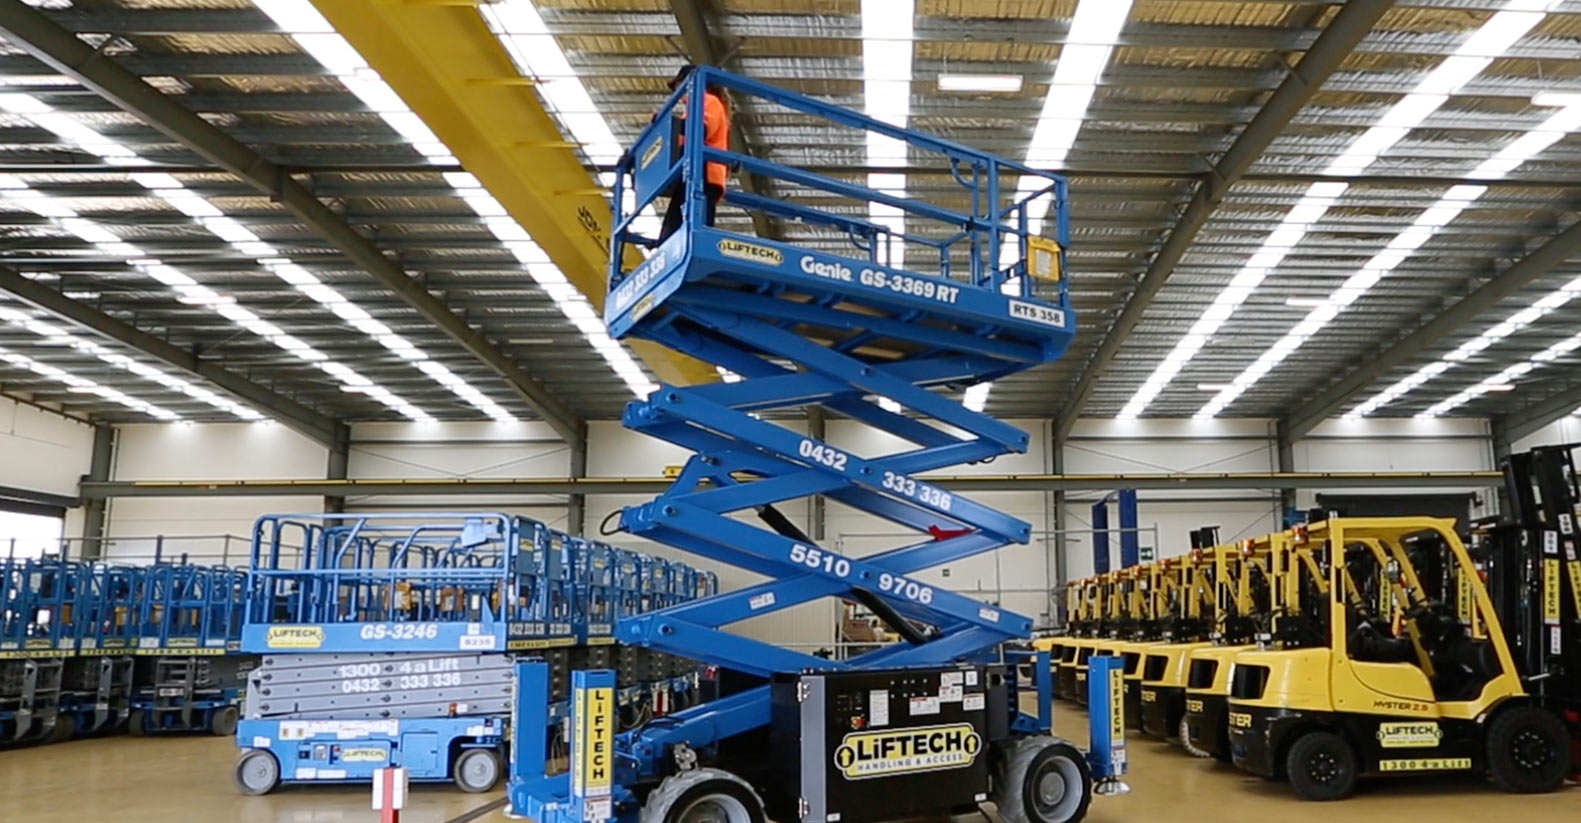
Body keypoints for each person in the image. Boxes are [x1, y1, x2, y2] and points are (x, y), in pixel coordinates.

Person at [657, 64, 730, 243]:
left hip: (704, 173)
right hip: (691, 173)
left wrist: (668, 124)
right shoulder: (691, 110)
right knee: (672, 232)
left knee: (695, 233)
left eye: (679, 87)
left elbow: (701, 131)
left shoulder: (708, 101)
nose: (678, 94)